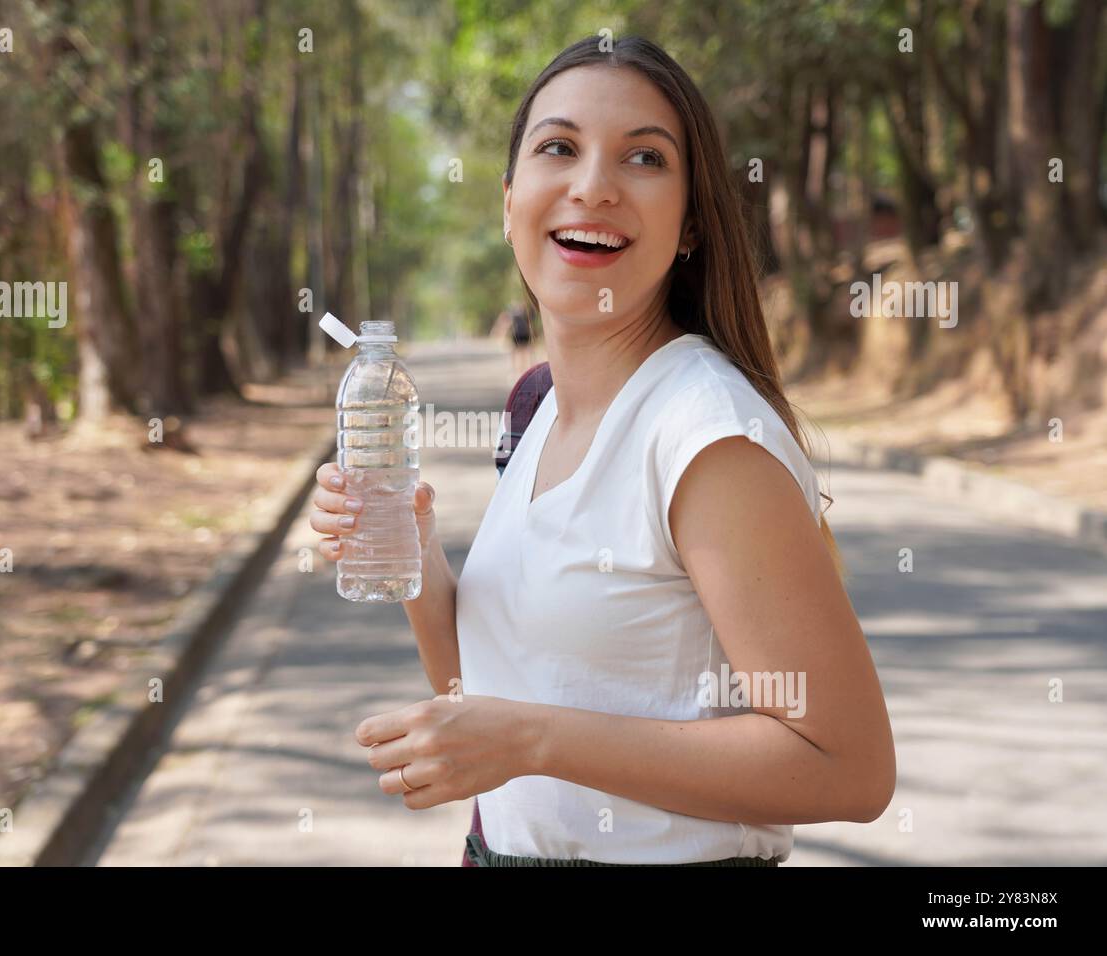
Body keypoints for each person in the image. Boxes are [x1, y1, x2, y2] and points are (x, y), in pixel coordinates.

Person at [308, 35, 895, 866]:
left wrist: (538, 740)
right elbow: (484, 696)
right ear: (509, 201)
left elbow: (849, 767)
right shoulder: (536, 407)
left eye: (644, 159)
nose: (593, 187)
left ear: (691, 222)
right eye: (558, 148)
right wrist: (408, 547)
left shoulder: (706, 436)